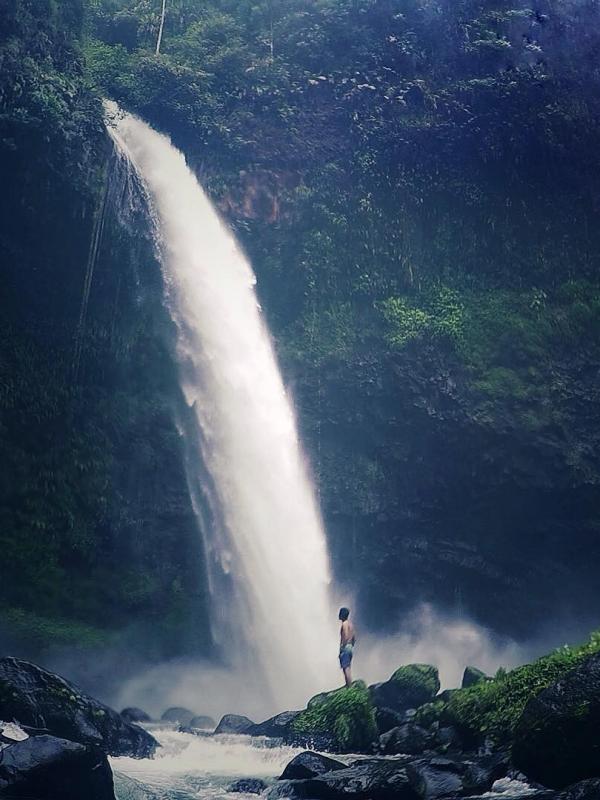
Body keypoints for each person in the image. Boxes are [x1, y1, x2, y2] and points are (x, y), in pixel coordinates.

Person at [338, 607, 356, 687]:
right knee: (348, 667)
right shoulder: (351, 624)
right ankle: (349, 684)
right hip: (350, 647)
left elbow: (345, 635)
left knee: (346, 668)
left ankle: (349, 686)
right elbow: (354, 637)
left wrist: (342, 647)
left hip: (345, 647)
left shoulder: (344, 624)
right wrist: (351, 645)